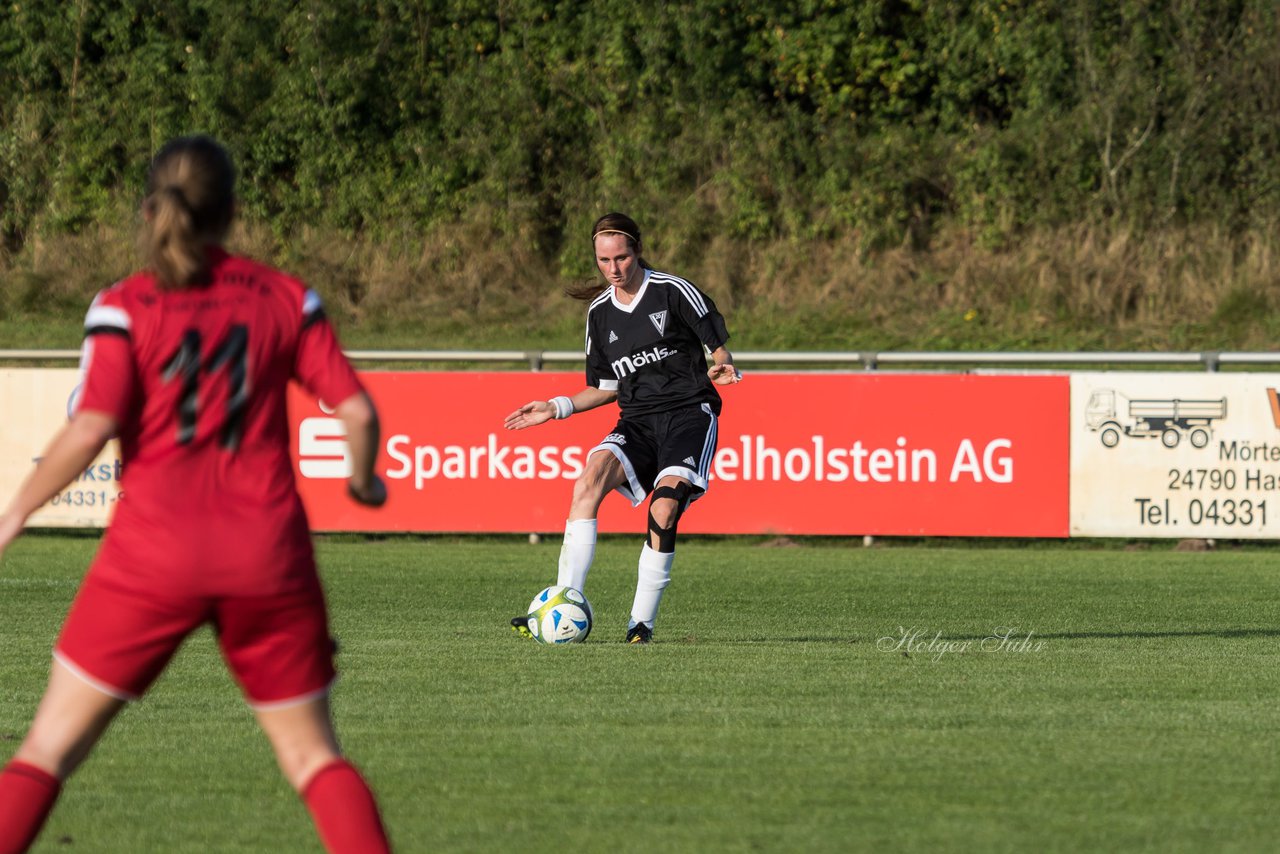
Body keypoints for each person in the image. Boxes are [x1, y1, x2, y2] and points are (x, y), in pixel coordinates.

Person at [0, 136, 392, 853]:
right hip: (265, 555)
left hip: (151, 555)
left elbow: (90, 428)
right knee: (314, 761)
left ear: (150, 207)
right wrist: (363, 484)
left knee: (46, 752)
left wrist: (13, 514)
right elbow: (359, 414)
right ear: (232, 211)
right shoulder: (284, 297)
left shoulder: (125, 304)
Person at [504, 212, 740, 644]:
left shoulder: (673, 292)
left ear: (638, 251)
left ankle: (640, 626)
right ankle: (564, 601)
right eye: (603, 260)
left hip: (689, 415)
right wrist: (556, 407)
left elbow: (720, 349)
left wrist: (722, 366)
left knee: (664, 507)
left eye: (622, 257)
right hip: (636, 422)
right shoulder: (599, 313)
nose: (614, 269)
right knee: (588, 478)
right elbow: (605, 388)